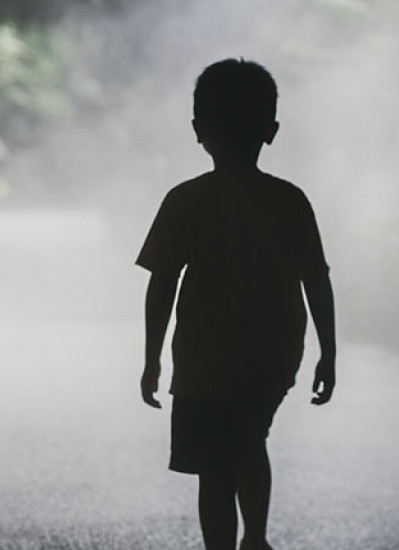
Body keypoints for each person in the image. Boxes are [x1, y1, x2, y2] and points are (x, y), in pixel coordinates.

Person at [136, 58, 337, 550]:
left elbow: (161, 284)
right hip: (272, 355)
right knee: (250, 440)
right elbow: (317, 280)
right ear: (271, 130)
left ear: (198, 131)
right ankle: (257, 539)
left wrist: (151, 358)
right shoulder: (289, 200)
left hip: (204, 360)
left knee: (213, 467)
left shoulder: (185, 201)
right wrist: (327, 353)